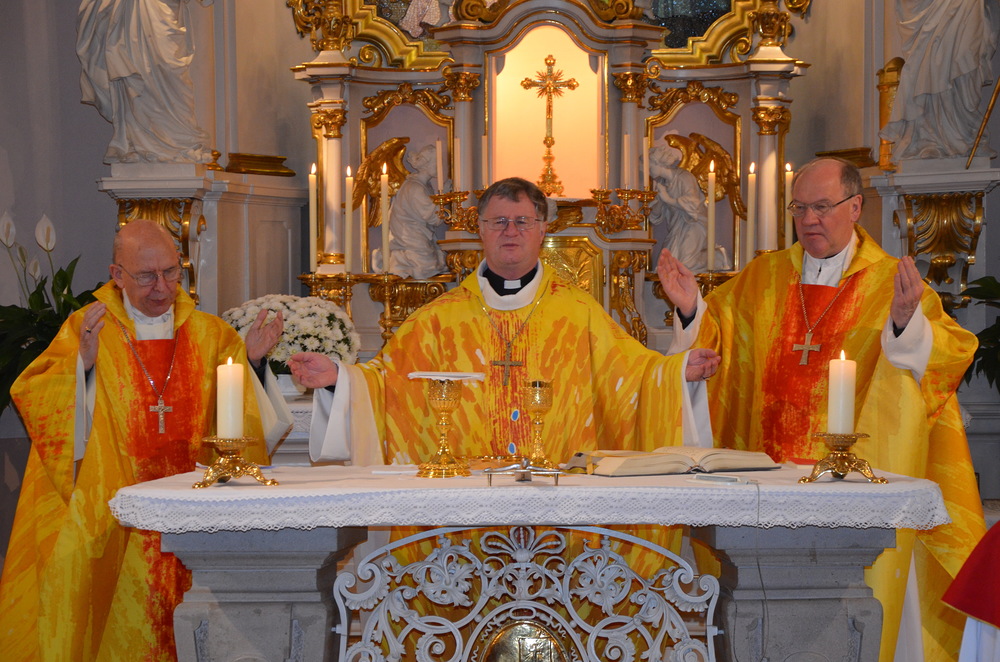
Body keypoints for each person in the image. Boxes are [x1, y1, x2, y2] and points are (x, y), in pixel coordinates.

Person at [662, 157, 985, 661]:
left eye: (822, 207)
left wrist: (905, 324)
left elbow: (948, 352)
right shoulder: (763, 276)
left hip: (854, 484)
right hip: (764, 478)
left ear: (855, 207)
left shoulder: (890, 282)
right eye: (799, 208)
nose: (809, 219)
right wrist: (689, 309)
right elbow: (716, 342)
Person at [0, 219, 287, 661]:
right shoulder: (88, 328)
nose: (163, 288)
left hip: (192, 511)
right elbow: (39, 402)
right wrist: (82, 367)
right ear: (117, 275)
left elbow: (237, 419)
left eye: (171, 272)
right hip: (112, 510)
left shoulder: (210, 334)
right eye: (147, 276)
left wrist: (248, 362)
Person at [290, 176, 719, 468]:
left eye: (522, 221)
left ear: (542, 230)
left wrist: (682, 358)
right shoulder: (440, 318)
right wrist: (338, 379)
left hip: (559, 493)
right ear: (480, 230)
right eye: (498, 222)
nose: (510, 231)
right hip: (465, 503)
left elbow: (636, 377)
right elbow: (386, 383)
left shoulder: (578, 311)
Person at [77, 0, 214, 164]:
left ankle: (180, 141)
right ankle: (142, 143)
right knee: (139, 73)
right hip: (136, 12)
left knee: (169, 69)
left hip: (164, 11)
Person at [880, 0, 999, 161]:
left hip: (967, 5)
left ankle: (965, 136)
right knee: (932, 68)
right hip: (931, 8)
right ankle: (928, 139)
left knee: (965, 62)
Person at [647, 143, 726, 273]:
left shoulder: (685, 177)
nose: (648, 171)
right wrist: (660, 201)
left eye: (650, 167)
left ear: (658, 163)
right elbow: (655, 217)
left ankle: (717, 257)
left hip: (694, 223)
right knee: (667, 266)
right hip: (676, 228)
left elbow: (693, 204)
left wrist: (667, 199)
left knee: (685, 264)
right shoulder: (662, 183)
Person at [387, 143, 448, 279]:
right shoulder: (415, 188)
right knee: (427, 266)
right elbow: (435, 219)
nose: (440, 167)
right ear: (426, 164)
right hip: (409, 237)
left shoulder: (424, 186)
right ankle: (400, 257)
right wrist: (446, 198)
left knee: (436, 261)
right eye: (437, 163)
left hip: (419, 234)